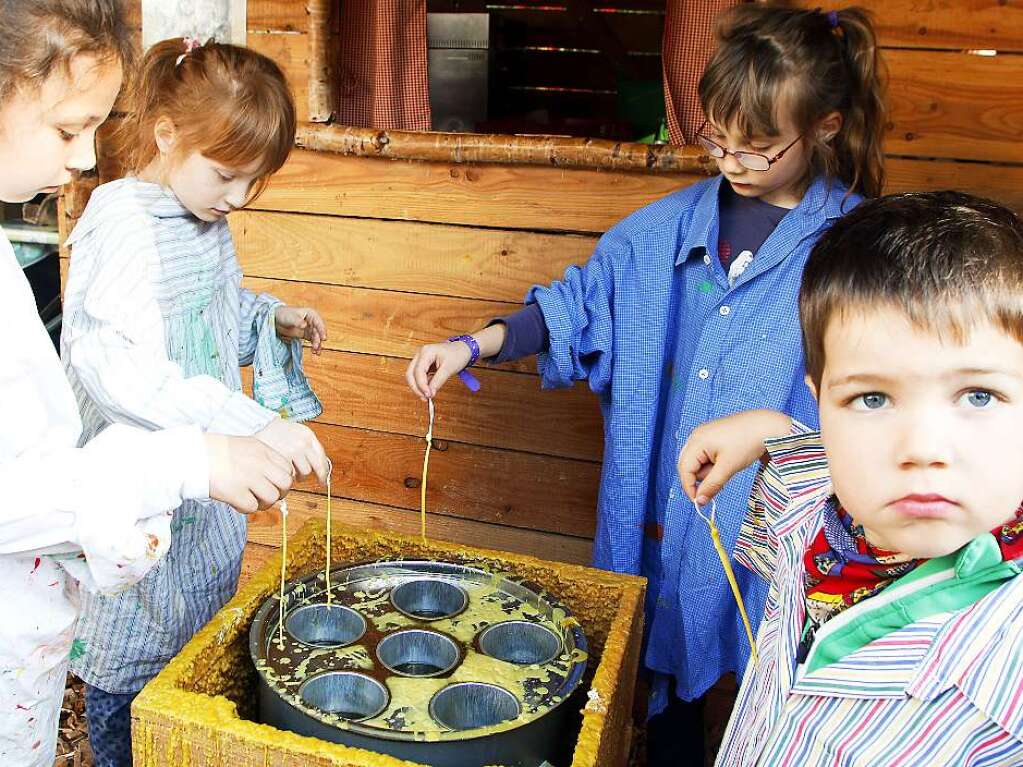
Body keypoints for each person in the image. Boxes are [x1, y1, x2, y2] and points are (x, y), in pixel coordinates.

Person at [406, 5, 884, 760]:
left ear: (824, 126)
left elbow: (883, 401)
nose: (731, 161)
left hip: (782, 545)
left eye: (758, 147)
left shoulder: (857, 253)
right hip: (655, 523)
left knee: (769, 690)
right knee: (653, 694)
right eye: (717, 139)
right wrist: (473, 344)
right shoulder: (656, 233)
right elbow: (575, 307)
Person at [0, 3, 303, 765]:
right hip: (132, 489)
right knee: (135, 686)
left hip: (169, 492)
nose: (79, 157)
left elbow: (207, 323)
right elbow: (117, 364)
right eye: (69, 130)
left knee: (186, 661)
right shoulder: (123, 219)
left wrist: (269, 322)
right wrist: (224, 430)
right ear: (170, 135)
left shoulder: (202, 224)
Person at [679, 191, 1023, 766]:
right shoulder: (817, 505)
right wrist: (767, 430)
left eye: (978, 395)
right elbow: (807, 462)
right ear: (822, 407)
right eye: (871, 398)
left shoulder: (1006, 691)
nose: (921, 450)